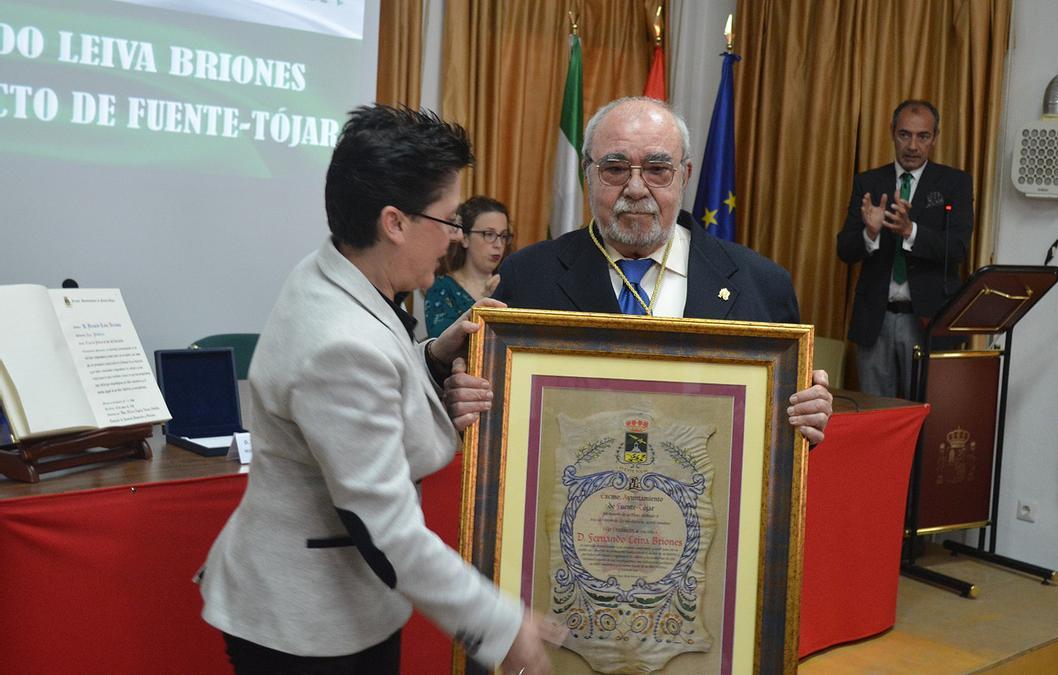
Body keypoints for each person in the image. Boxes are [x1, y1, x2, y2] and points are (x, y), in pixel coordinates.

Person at [197, 104, 551, 675]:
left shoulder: (335, 269)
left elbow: (373, 376)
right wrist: (500, 624)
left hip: (341, 605)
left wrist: (435, 360)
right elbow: (387, 531)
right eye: (450, 220)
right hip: (306, 629)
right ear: (395, 222)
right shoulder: (340, 343)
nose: (455, 239)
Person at [477, 96, 831, 444]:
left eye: (657, 170)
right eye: (615, 169)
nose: (634, 188)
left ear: (685, 175)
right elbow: (496, 416)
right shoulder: (526, 277)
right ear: (588, 173)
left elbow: (773, 437)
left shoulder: (763, 285)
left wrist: (804, 418)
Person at [836, 99, 973, 399]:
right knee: (877, 416)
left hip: (926, 321)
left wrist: (910, 231)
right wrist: (870, 233)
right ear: (892, 133)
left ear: (935, 137)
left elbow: (958, 248)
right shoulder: (869, 182)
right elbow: (845, 250)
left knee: (925, 416)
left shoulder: (955, 183)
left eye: (922, 136)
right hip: (876, 320)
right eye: (905, 135)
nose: (913, 145)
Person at [424, 196, 513, 337]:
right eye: (488, 234)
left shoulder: (512, 284)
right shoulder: (441, 287)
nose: (498, 244)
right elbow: (442, 345)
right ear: (465, 238)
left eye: (503, 236)